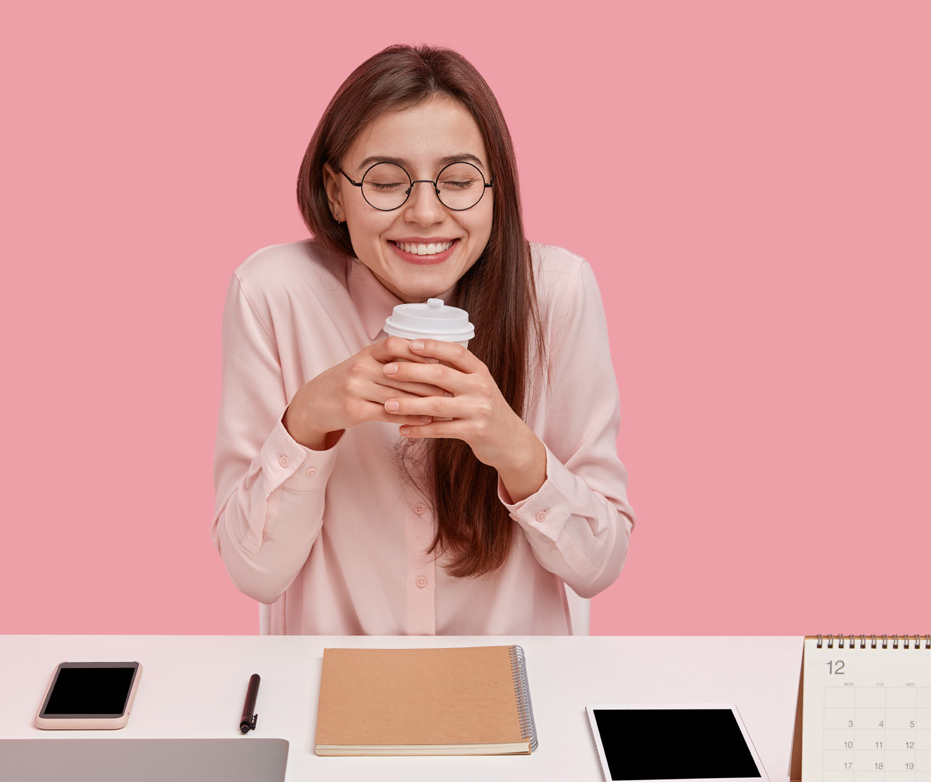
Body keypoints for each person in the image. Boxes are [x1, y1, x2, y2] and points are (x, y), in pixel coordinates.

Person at [211, 45, 634, 635]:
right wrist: (307, 419)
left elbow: (600, 564)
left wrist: (513, 447)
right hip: (334, 691)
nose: (426, 213)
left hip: (509, 691)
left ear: (494, 189)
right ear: (335, 192)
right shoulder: (274, 293)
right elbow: (255, 572)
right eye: (386, 182)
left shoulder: (555, 292)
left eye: (459, 180)